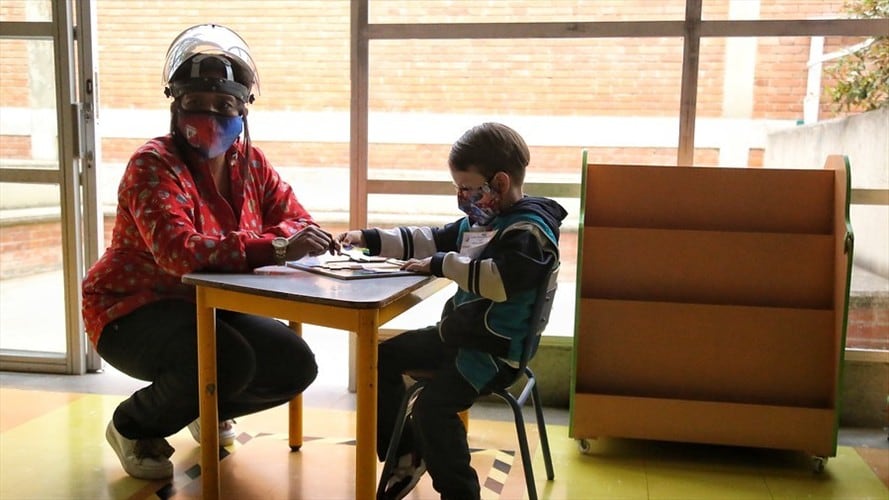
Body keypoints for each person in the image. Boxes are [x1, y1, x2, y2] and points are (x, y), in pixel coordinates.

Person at [82, 24, 335, 480]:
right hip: (133, 308)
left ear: (243, 109)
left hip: (212, 302)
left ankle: (202, 402)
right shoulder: (153, 164)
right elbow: (179, 253)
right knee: (226, 358)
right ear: (176, 106)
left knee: (294, 362)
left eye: (225, 105)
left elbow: (302, 220)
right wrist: (275, 246)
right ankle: (132, 426)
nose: (211, 116)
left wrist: (276, 241)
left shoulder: (251, 163)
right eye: (196, 103)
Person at [336, 122, 567, 500]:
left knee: (432, 410)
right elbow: (430, 239)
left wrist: (441, 264)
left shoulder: (528, 233)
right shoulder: (485, 220)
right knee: (379, 357)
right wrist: (370, 238)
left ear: (501, 183)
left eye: (467, 187)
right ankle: (407, 455)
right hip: (461, 337)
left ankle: (460, 493)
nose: (461, 195)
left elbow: (498, 282)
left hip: (492, 353)